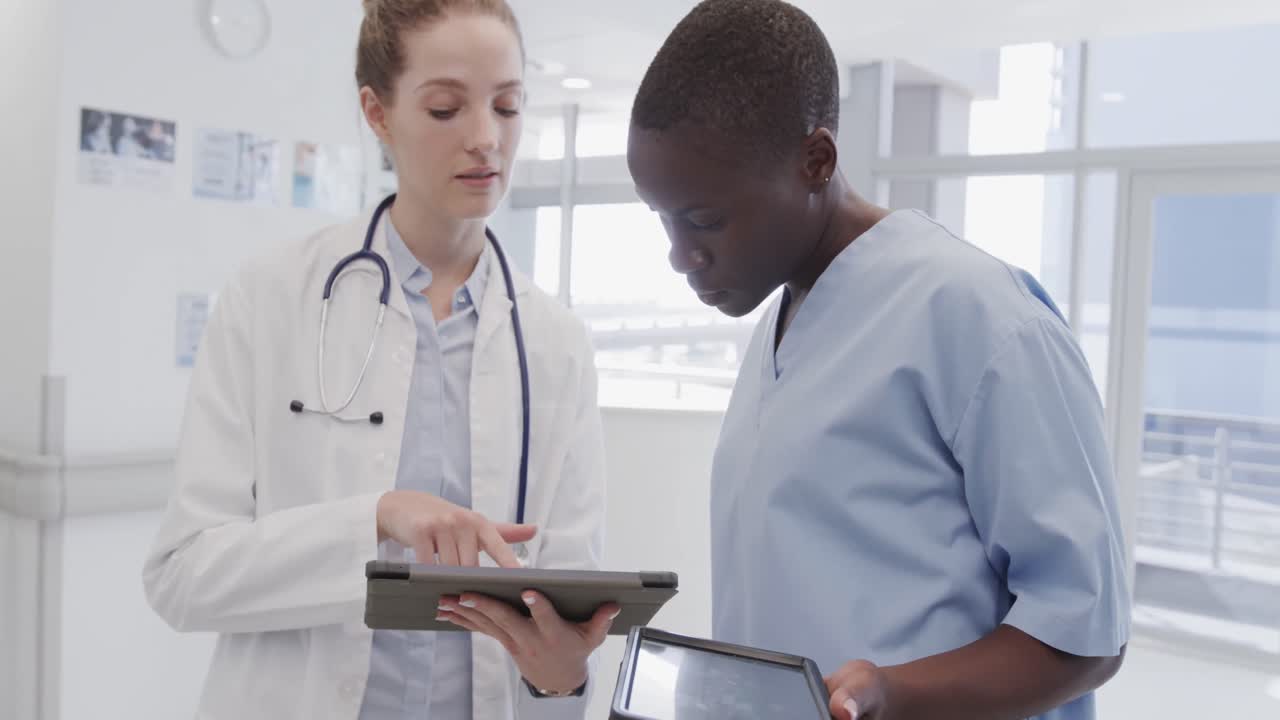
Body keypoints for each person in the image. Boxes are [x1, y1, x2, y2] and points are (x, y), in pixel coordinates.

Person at [626, 2, 1130, 719]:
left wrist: (894, 693)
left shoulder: (981, 317)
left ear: (816, 161)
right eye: (663, 219)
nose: (681, 255)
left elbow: (1087, 633)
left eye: (704, 220)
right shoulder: (784, 320)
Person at [143, 1, 615, 718]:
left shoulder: (557, 342)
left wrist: (562, 675)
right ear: (377, 113)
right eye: (446, 109)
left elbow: (568, 602)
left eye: (508, 106)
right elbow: (184, 576)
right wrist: (376, 519)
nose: (486, 139)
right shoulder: (269, 299)